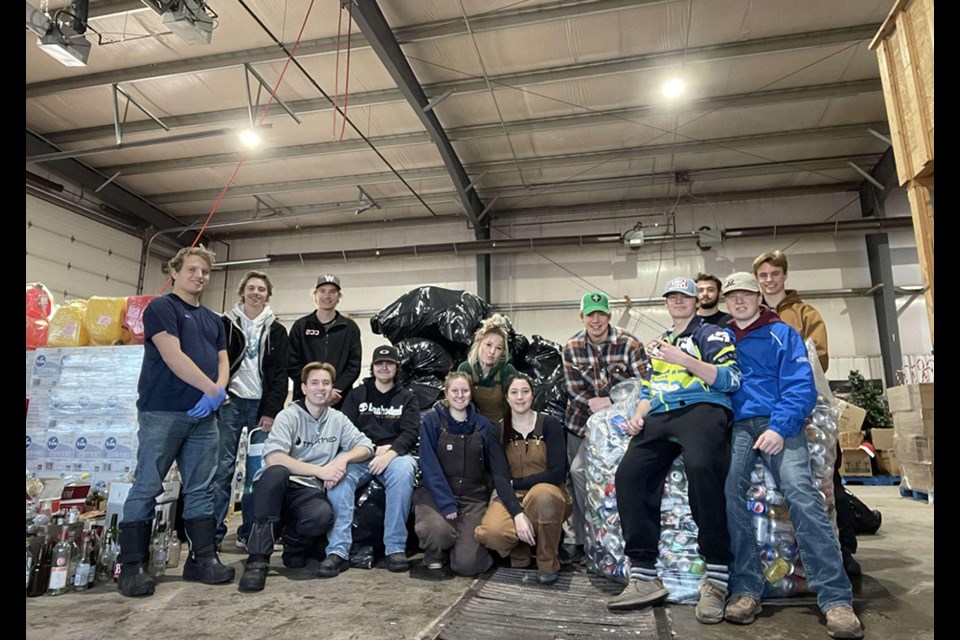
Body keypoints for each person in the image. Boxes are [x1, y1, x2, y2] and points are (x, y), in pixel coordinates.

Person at [720, 272, 863, 638]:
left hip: (781, 423)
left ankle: (835, 599)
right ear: (725, 302)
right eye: (732, 296)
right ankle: (746, 589)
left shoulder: (782, 333)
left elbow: (802, 387)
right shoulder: (720, 339)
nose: (739, 302)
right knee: (729, 493)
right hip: (738, 426)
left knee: (801, 491)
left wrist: (780, 428)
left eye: (746, 295)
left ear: (759, 298)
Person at [608, 277, 740, 625]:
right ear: (666, 302)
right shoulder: (662, 343)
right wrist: (638, 415)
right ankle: (643, 574)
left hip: (702, 408)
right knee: (629, 475)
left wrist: (685, 359)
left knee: (701, 466)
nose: (678, 301)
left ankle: (716, 576)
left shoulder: (712, 334)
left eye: (685, 296)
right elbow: (650, 389)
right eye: (672, 297)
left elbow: (730, 380)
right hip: (662, 413)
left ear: (697, 301)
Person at [118, 245, 234, 598]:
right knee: (148, 486)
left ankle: (201, 560)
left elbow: (223, 360)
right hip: (163, 412)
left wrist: (217, 392)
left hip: (204, 419)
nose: (199, 276)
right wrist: (212, 390)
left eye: (205, 272)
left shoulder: (214, 320)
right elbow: (172, 355)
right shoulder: (161, 308)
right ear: (176, 272)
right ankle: (132, 566)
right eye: (192, 270)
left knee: (201, 489)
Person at [753, 250, 861, 576]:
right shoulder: (750, 313)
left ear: (784, 276)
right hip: (763, 407)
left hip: (805, 403)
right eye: (763, 275)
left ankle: (843, 550)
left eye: (775, 274)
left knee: (827, 474)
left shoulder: (804, 313)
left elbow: (819, 358)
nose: (769, 280)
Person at [237, 362, 374, 592]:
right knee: (276, 473)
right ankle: (258, 560)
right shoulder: (288, 416)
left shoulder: (337, 419)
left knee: (321, 516)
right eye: (315, 383)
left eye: (326, 383)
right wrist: (320, 471)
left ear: (332, 388)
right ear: (303, 387)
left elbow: (366, 446)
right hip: (277, 485)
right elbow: (274, 458)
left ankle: (294, 542)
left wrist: (342, 460)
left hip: (307, 488)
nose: (320, 388)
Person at [561, 291, 647, 564]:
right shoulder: (571, 347)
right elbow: (574, 391)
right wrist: (595, 406)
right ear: (582, 317)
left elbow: (644, 383)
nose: (596, 320)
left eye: (601, 314)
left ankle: (619, 536)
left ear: (609, 316)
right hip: (582, 425)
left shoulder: (630, 344)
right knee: (578, 474)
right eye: (590, 315)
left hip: (624, 427)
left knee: (615, 479)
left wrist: (610, 402)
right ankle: (584, 539)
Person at [214, 270, 290, 550]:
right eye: (251, 288)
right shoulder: (224, 324)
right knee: (222, 469)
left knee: (257, 472)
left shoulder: (277, 331)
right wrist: (218, 394)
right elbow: (212, 361)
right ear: (242, 292)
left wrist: (271, 410)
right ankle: (213, 533)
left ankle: (249, 532)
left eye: (261, 289)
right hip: (231, 403)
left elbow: (281, 374)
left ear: (268, 295)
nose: (256, 293)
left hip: (262, 408)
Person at [475, 374, 571, 584]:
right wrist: (517, 513)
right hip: (511, 495)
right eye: (514, 392)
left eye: (525, 392)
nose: (520, 397)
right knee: (492, 533)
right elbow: (500, 477)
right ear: (507, 398)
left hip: (549, 493)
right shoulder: (497, 431)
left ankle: (548, 561)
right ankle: (522, 550)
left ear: (533, 395)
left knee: (543, 495)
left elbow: (556, 473)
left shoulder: (550, 424)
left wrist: (514, 484)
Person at [332, 345, 420, 573]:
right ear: (372, 367)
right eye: (379, 363)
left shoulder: (407, 397)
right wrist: (370, 449)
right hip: (361, 453)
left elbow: (410, 433)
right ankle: (337, 550)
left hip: (394, 456)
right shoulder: (357, 395)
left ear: (397, 367)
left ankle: (395, 548)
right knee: (338, 477)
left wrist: (389, 453)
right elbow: (346, 429)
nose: (384, 367)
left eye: (389, 363)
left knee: (404, 473)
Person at [412, 372, 504, 577]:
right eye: (455, 390)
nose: (460, 395)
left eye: (465, 390)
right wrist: (446, 502)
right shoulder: (432, 422)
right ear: (446, 393)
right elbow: (429, 465)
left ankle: (461, 548)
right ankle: (436, 553)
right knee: (437, 532)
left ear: (471, 393)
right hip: (435, 495)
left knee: (467, 565)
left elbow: (495, 465)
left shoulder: (483, 426)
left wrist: (498, 491)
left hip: (472, 498)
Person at [288, 274, 362, 410]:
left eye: (332, 292)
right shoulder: (301, 326)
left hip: (338, 400)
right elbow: (292, 363)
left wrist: (335, 389)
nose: (327, 296)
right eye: (322, 291)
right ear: (315, 295)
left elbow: (354, 366)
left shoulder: (349, 328)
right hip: (305, 400)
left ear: (338, 297)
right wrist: (313, 388)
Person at [457, 314, 517, 425]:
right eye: (488, 345)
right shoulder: (466, 369)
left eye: (498, 348)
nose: (492, 352)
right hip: (474, 426)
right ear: (479, 343)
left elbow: (518, 404)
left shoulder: (506, 370)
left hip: (503, 426)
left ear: (503, 352)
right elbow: (458, 403)